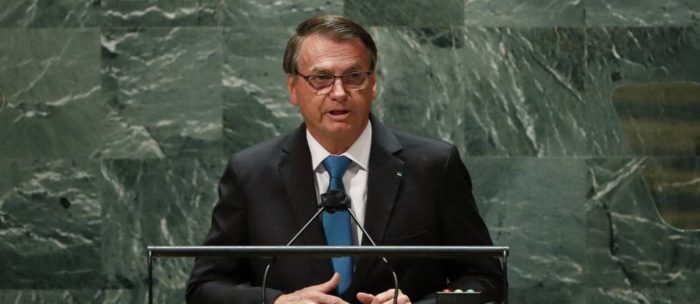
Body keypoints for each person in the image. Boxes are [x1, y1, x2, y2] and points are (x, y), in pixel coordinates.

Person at [187, 15, 505, 304]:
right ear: (293, 88)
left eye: (353, 76)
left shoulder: (433, 165)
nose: (339, 92)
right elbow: (205, 287)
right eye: (321, 78)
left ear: (373, 83)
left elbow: (485, 278)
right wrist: (278, 302)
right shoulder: (251, 173)